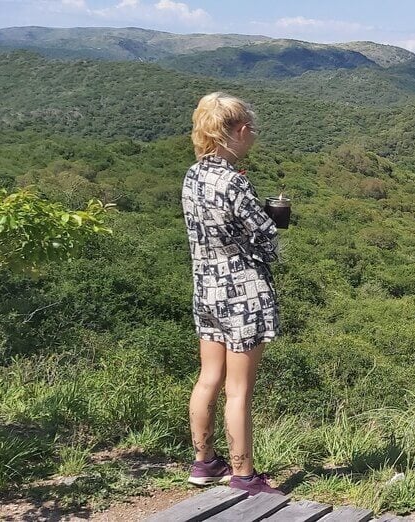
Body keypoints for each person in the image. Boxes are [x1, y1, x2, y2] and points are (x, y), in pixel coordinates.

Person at [181, 92, 283, 496]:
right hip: (242, 294)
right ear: (240, 131)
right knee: (239, 390)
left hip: (206, 289)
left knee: (209, 378)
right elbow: (269, 245)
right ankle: (244, 476)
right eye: (251, 130)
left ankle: (204, 462)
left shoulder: (193, 176)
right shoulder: (235, 183)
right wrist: (274, 222)